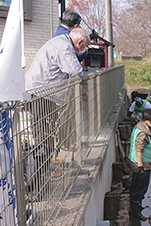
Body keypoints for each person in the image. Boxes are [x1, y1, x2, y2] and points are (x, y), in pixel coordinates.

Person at [25, 28, 90, 193]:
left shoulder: (62, 42)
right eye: (84, 47)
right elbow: (76, 70)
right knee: (42, 138)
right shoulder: (63, 46)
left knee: (46, 137)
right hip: (41, 96)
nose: (83, 50)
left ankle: (41, 177)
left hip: (45, 95)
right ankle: (35, 184)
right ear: (80, 42)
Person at [128, 109, 151, 221]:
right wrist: (140, 167)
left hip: (135, 162)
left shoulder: (138, 126)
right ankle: (136, 212)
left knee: (136, 185)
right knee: (140, 188)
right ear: (149, 120)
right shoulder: (142, 133)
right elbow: (139, 150)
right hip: (142, 165)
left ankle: (136, 207)